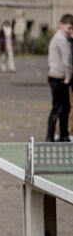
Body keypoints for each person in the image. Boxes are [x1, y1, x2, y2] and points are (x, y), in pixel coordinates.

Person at [46, 14, 73, 142]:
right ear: (61, 25)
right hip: (59, 77)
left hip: (57, 76)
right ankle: (51, 136)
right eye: (69, 28)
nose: (70, 31)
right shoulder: (61, 39)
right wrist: (68, 78)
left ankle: (63, 135)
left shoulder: (60, 37)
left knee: (65, 107)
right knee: (58, 108)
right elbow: (67, 61)